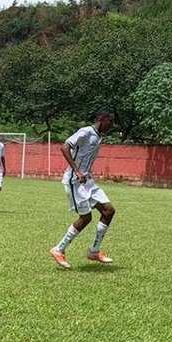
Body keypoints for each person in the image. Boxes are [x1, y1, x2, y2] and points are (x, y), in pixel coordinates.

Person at [49, 110, 116, 268]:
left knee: (109, 211)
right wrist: (77, 171)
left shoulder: (99, 136)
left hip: (88, 180)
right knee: (86, 218)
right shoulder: (85, 132)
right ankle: (59, 249)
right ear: (101, 119)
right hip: (75, 181)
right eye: (109, 122)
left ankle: (94, 251)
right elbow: (65, 147)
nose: (111, 126)